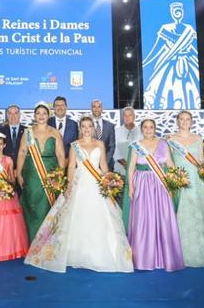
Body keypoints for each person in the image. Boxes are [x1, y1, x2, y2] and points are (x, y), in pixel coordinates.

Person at [25, 116, 133, 273]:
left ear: (93, 128)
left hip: (97, 184)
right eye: (84, 126)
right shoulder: (75, 145)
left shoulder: (100, 144)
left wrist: (109, 181)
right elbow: (70, 167)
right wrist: (69, 186)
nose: (87, 129)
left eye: (89, 126)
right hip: (80, 182)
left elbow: (103, 164)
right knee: (77, 216)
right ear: (80, 129)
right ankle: (75, 253)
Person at [123, 119, 183, 271]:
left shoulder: (164, 144)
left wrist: (173, 182)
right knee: (144, 219)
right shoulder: (136, 145)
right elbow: (131, 168)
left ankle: (165, 257)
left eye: (151, 127)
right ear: (141, 129)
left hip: (161, 183)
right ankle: (143, 257)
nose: (148, 130)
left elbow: (170, 165)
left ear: (155, 128)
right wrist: (131, 187)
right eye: (145, 127)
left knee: (163, 218)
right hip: (142, 183)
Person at [167, 111, 204, 268]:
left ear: (191, 122)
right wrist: (175, 177)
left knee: (200, 213)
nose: (184, 121)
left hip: (197, 180)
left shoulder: (198, 138)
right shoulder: (170, 139)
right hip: (181, 179)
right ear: (177, 121)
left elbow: (201, 159)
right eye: (181, 119)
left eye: (187, 119)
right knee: (183, 213)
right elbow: (169, 161)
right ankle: (181, 253)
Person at [17, 103, 66, 239]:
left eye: (44, 113)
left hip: (50, 174)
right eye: (38, 113)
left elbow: (61, 156)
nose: (41, 116)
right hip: (32, 174)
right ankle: (32, 241)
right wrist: (18, 173)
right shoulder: (28, 132)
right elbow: (22, 152)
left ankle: (48, 241)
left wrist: (60, 176)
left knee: (48, 207)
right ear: (34, 116)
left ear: (48, 115)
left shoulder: (55, 133)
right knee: (32, 206)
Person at [0, 132, 29, 262]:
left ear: (4, 145)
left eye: (0, 144)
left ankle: (8, 248)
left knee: (8, 219)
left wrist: (7, 187)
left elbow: (11, 178)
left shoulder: (9, 160)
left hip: (6, 190)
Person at [90, 99, 117, 170]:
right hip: (90, 165)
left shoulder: (110, 126)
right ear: (91, 108)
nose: (96, 109)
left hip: (107, 165)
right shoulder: (85, 126)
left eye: (99, 107)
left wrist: (104, 162)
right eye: (94, 106)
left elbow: (112, 146)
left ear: (102, 108)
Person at [114, 106, 141, 175]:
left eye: (130, 115)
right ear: (123, 117)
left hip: (138, 169)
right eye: (125, 115)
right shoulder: (116, 131)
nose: (127, 117)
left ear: (134, 117)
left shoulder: (141, 131)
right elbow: (114, 150)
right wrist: (125, 164)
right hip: (120, 169)